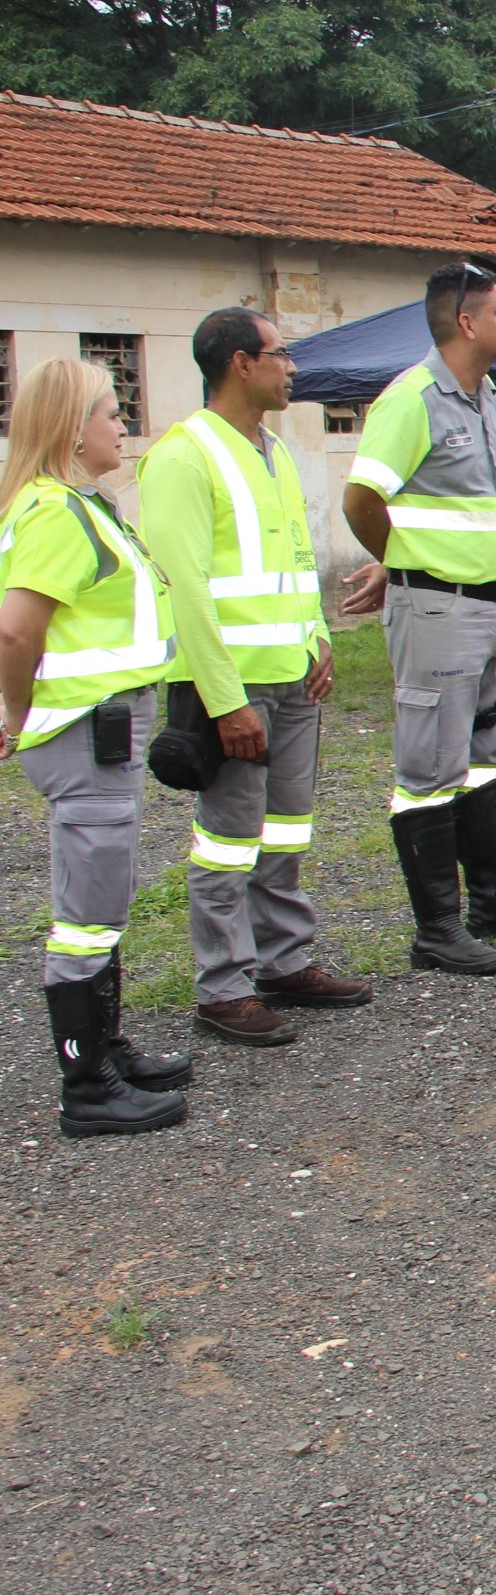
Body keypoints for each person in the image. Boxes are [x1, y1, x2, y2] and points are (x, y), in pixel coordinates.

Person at [136, 308, 372, 1048]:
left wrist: (318, 638)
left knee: (284, 832)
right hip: (232, 690)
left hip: (292, 680)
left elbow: (295, 561)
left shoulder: (272, 449)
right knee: (228, 840)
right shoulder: (183, 456)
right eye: (281, 354)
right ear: (241, 363)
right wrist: (223, 700)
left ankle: (283, 961)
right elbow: (186, 587)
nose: (292, 367)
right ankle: (223, 988)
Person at [339, 262, 496, 974]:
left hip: (488, 606)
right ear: (466, 322)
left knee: (481, 756)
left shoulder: (484, 394)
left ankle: (492, 898)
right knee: (430, 766)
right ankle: (436, 928)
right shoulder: (412, 398)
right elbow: (362, 500)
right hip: (438, 604)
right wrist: (404, 564)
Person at [0, 359, 191, 1135]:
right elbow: (16, 628)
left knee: (104, 895)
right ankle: (86, 1085)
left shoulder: (86, 505)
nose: (122, 424)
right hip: (82, 732)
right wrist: (15, 712)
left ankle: (107, 1049)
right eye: (112, 412)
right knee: (87, 907)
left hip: (103, 727)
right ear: (71, 428)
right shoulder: (53, 511)